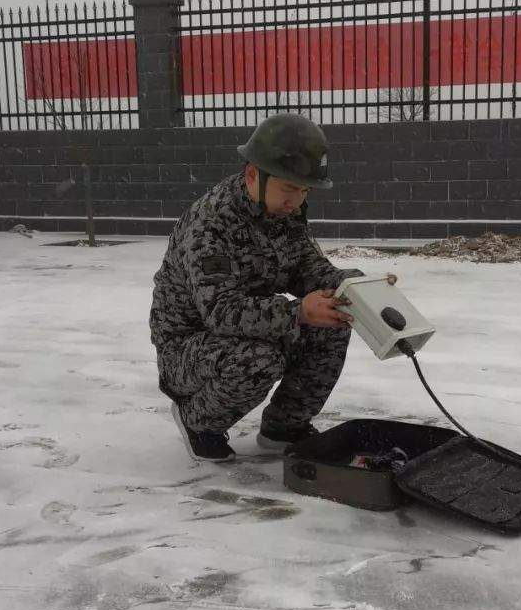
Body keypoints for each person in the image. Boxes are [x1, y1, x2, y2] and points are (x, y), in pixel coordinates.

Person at [149, 113, 392, 463]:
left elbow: (306, 266)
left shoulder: (283, 211)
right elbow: (221, 312)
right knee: (259, 360)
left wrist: (351, 285)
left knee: (333, 319)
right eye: (290, 188)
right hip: (188, 347)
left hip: (250, 330)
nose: (297, 200)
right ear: (253, 175)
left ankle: (285, 427)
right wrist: (297, 312)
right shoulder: (211, 224)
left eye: (305, 189)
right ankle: (199, 421)